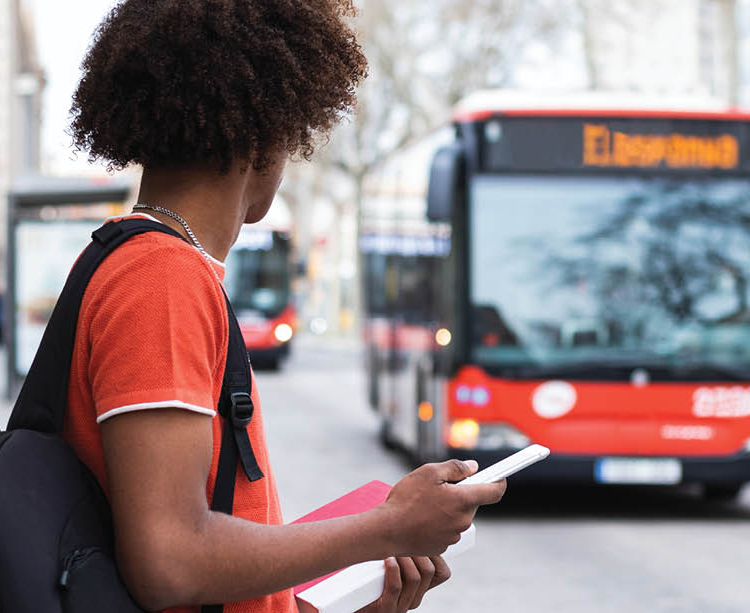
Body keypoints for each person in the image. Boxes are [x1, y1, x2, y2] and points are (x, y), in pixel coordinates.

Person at [63, 2, 506, 612]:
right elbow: (168, 561)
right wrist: (387, 528)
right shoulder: (161, 277)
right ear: (263, 134)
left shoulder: (146, 263)